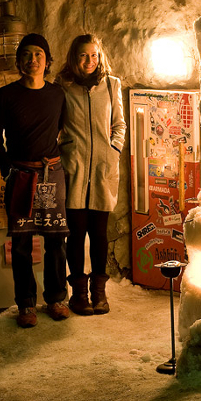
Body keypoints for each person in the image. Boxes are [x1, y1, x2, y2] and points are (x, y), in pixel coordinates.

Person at [0, 33, 70, 328]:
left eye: (38, 54)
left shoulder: (58, 95)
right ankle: (26, 304)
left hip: (51, 174)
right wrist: (6, 168)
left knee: (56, 241)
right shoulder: (5, 96)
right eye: (26, 54)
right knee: (21, 243)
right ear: (18, 61)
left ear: (47, 61)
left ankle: (56, 298)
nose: (32, 59)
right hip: (20, 174)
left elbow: (63, 130)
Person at [55, 34, 126, 316]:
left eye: (94, 55)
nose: (89, 61)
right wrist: (65, 150)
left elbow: (119, 124)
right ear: (74, 57)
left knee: (98, 234)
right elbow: (55, 125)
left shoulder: (111, 84)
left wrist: (113, 149)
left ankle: (99, 292)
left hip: (102, 169)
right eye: (84, 55)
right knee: (75, 234)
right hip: (74, 167)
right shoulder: (63, 87)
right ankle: (78, 294)